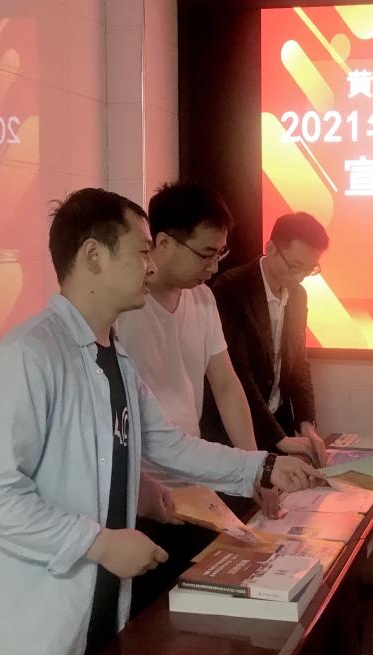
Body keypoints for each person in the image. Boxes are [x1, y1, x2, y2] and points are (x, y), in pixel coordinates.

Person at [0, 188, 322, 655]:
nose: (151, 267)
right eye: (142, 252)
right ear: (94, 256)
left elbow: (165, 444)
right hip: (24, 632)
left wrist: (262, 466)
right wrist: (97, 543)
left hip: (92, 611)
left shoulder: (113, 356)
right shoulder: (30, 356)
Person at [115, 182, 279, 617]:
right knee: (150, 618)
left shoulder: (203, 299)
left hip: (194, 484)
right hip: (144, 495)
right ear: (163, 242)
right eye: (205, 253)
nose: (214, 266)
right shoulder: (123, 308)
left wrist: (254, 465)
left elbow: (225, 383)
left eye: (220, 254)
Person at [202, 211, 329, 466]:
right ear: (270, 248)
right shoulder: (231, 289)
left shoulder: (298, 295)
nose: (300, 276)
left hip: (276, 424)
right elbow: (238, 374)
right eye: (295, 266)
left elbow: (298, 364)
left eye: (310, 269)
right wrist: (278, 438)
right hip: (236, 431)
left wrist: (306, 424)